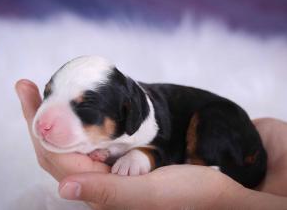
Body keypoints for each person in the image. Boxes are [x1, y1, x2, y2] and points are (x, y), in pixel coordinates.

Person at [15, 79, 287, 210]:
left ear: (126, 112)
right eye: (50, 94)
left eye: (83, 107)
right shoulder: (128, 107)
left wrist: (222, 197)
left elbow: (158, 148)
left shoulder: (142, 117)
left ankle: (213, 166)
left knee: (205, 130)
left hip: (224, 124)